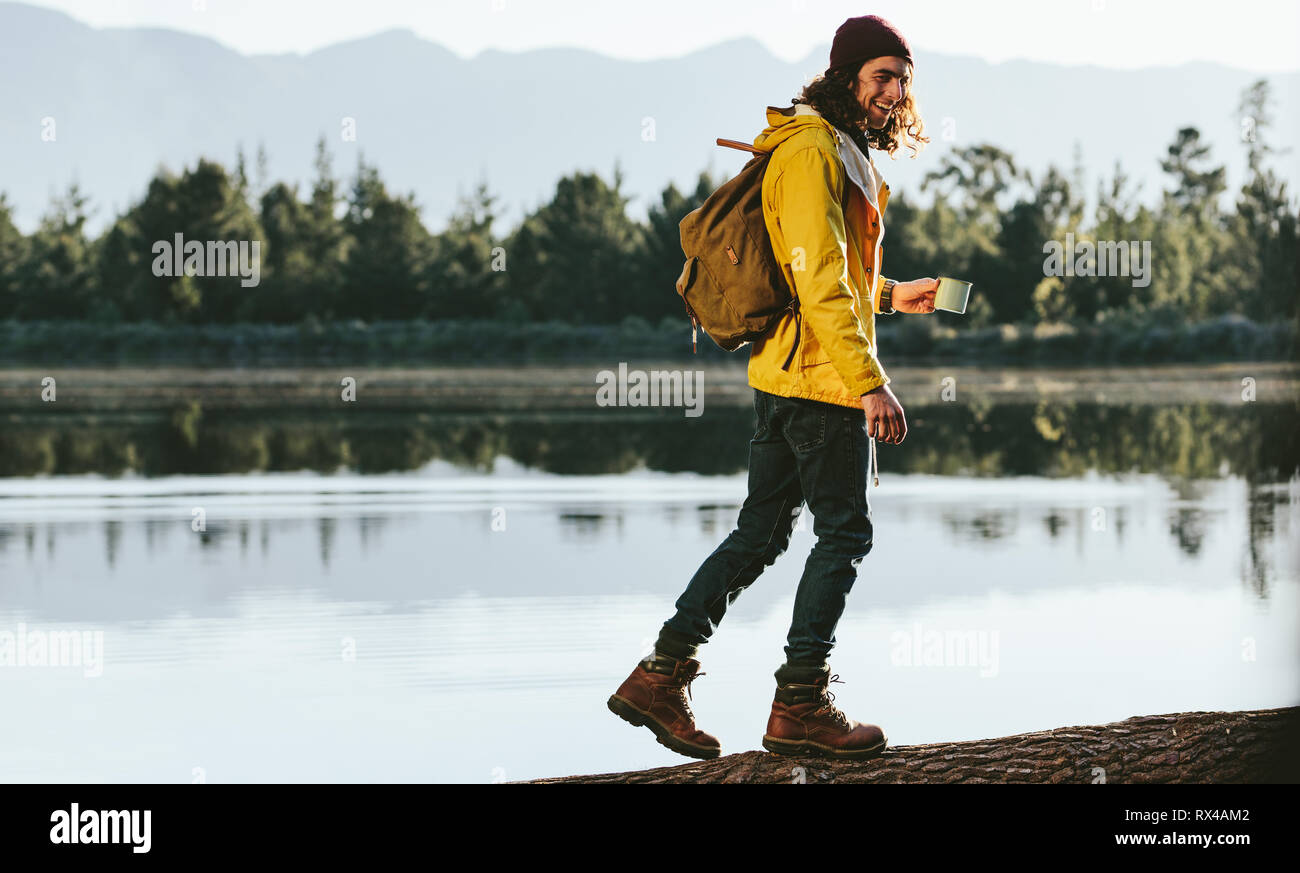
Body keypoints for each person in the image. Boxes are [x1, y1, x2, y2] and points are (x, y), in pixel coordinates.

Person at [608, 14, 938, 761]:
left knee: (759, 536)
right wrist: (870, 383)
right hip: (820, 383)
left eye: (903, 80)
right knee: (844, 533)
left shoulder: (823, 145)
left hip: (788, 375)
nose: (894, 92)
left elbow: (825, 273)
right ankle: (801, 703)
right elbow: (818, 278)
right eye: (883, 75)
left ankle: (660, 674)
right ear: (847, 74)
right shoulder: (815, 148)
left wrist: (890, 294)